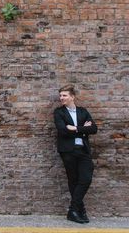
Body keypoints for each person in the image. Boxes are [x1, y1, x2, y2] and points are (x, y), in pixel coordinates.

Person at [53, 84, 97, 224]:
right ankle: (80, 210)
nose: (61, 98)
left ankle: (73, 209)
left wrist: (76, 128)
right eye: (60, 96)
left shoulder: (83, 111)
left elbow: (94, 129)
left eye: (64, 95)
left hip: (83, 150)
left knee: (86, 178)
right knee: (73, 180)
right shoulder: (59, 112)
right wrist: (84, 128)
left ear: (72, 97)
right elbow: (62, 130)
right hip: (68, 150)